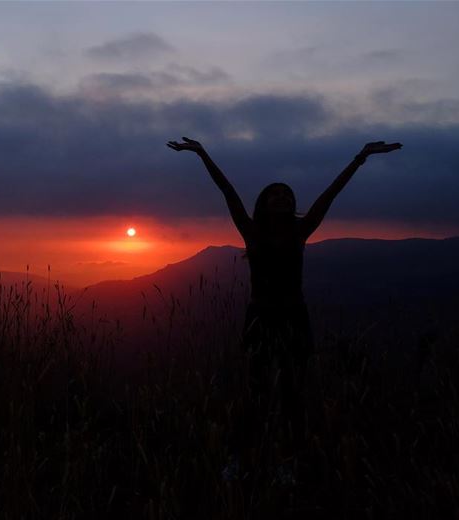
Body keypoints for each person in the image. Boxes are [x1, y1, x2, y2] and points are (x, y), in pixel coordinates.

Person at [167, 136, 402, 478]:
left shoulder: (301, 229)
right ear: (263, 203)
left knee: (293, 393)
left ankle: (288, 462)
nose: (282, 197)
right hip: (259, 318)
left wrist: (360, 158)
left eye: (287, 195)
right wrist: (202, 153)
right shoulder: (251, 230)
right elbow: (227, 191)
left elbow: (329, 195)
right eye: (275, 194)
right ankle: (239, 458)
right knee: (257, 392)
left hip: (294, 317)